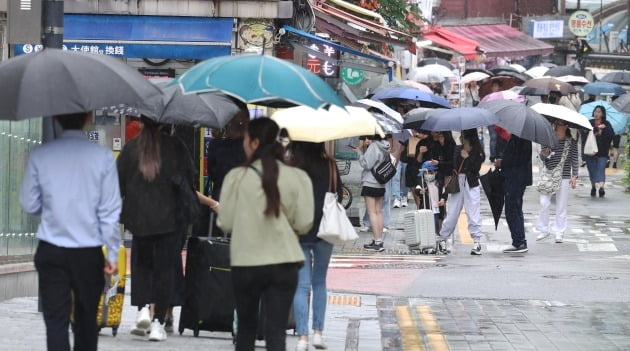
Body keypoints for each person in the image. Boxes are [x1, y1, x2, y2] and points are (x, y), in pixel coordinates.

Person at [20, 111, 121, 351]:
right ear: (88, 118)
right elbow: (109, 211)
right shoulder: (102, 158)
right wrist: (113, 254)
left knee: (56, 320)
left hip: (51, 250)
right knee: (87, 321)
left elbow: (29, 203)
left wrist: (53, 208)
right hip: (88, 252)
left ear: (55, 119)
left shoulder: (40, 155)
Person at [217, 118, 314, 351]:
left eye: (246, 138)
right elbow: (304, 224)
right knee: (276, 332)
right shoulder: (298, 178)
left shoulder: (236, 177)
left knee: (246, 329)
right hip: (284, 263)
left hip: (246, 262)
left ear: (254, 142)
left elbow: (226, 222)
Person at [117, 116, 196, 342]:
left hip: (138, 219)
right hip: (169, 220)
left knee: (141, 265)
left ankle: (142, 309)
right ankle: (158, 323)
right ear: (163, 123)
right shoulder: (175, 147)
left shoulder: (131, 148)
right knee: (164, 271)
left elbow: (118, 184)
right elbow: (188, 180)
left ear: (141, 122)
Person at [288, 142, 342, 351]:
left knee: (301, 285)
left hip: (300, 230)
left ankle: (303, 337)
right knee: (319, 282)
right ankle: (318, 333)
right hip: (325, 229)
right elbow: (338, 192)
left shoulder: (293, 166)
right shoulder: (330, 165)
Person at [436, 129, 486, 255]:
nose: (460, 137)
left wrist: (468, 157)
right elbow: (453, 165)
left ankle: (476, 241)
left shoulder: (478, 151)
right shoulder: (457, 149)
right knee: (452, 211)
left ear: (469, 137)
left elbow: (476, 168)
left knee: (473, 211)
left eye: (463, 135)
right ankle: (443, 239)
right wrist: (461, 156)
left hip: (471, 183)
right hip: (458, 182)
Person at [535, 120, 579, 243]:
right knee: (544, 202)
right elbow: (543, 158)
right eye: (555, 124)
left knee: (561, 205)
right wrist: (545, 153)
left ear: (565, 126)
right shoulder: (548, 139)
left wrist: (574, 175)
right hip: (548, 175)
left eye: (559, 125)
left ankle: (559, 232)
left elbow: (575, 159)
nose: (555, 127)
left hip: (564, 176)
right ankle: (543, 229)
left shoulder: (571, 142)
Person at [496, 134, 532, 253]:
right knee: (515, 209)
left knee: (512, 210)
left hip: (515, 179)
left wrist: (502, 162)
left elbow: (517, 159)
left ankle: (519, 242)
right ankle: (519, 241)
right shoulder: (520, 137)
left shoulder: (520, 138)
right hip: (516, 179)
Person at [358, 134, 391, 252]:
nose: (366, 139)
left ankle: (377, 241)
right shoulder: (385, 145)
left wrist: (359, 152)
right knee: (378, 211)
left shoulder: (374, 146)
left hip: (370, 181)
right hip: (380, 182)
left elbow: (366, 164)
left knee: (372, 212)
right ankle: (379, 240)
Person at [583, 105, 614, 197]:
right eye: (596, 111)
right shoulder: (590, 123)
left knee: (601, 169)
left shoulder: (607, 124)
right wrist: (596, 131)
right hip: (590, 152)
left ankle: (601, 188)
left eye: (599, 112)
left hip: (602, 152)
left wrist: (603, 131)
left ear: (603, 114)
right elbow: (584, 132)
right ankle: (593, 187)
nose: (597, 113)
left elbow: (611, 135)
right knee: (592, 170)